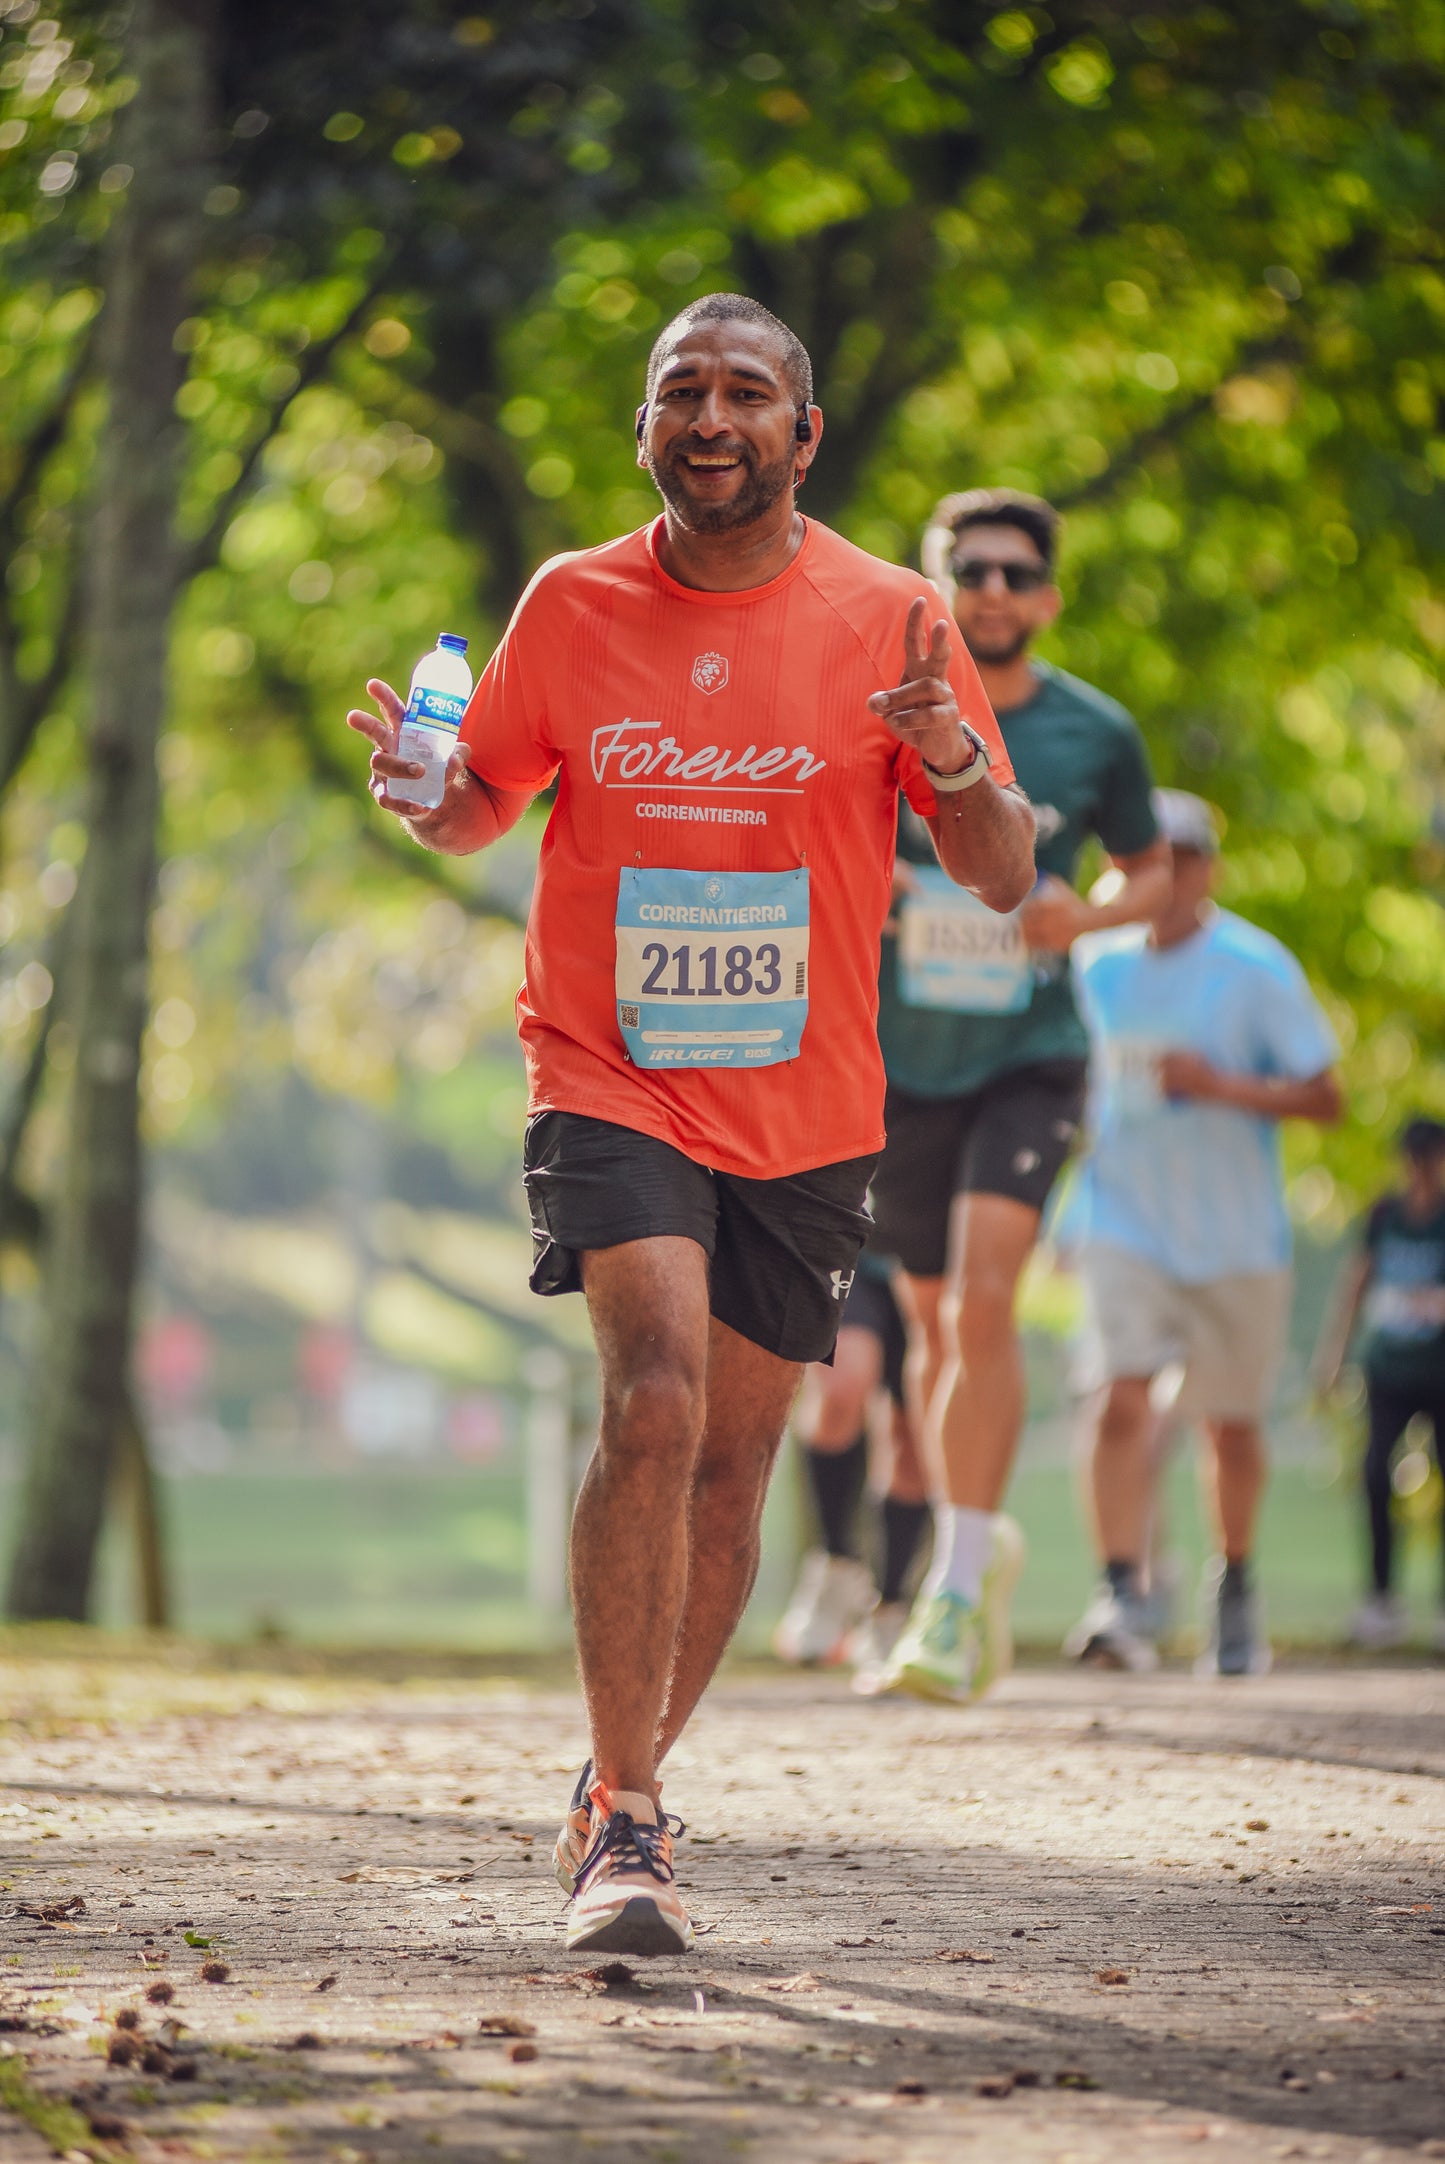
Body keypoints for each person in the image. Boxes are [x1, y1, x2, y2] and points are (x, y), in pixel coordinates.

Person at [348, 294, 1034, 1956]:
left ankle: (613, 1777)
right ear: (644, 425)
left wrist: (947, 755)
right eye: (681, 390)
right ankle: (636, 1821)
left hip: (806, 1100)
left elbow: (1003, 872)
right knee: (649, 1398)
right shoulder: (571, 600)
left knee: (731, 1467)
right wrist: (439, 799)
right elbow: (485, 796)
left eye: (747, 391)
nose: (710, 412)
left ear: (804, 434)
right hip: (608, 1066)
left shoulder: (893, 613)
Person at [869, 488, 1172, 1703]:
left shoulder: (1096, 734)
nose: (990, 590)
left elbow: (1150, 871)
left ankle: (946, 1597)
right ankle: (975, 1548)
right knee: (935, 1332)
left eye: (1012, 573)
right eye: (968, 569)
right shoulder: (871, 713)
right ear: (930, 583)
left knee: (986, 1302)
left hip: (1027, 1056)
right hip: (897, 1063)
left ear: (1044, 597)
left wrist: (1080, 912)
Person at [1064, 789, 1342, 1677]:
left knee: (1229, 1427)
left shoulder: (1254, 966)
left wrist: (1217, 1085)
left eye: (1181, 858)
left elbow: (1324, 1097)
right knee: (1118, 1398)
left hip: (1233, 1237)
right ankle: (1119, 1591)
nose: (1162, 875)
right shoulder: (1091, 967)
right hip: (1123, 1221)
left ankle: (1235, 1588)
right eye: (1140, 858)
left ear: (1206, 869)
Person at [771, 1244, 932, 1690]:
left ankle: (890, 1605)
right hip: (848, 1239)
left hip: (926, 1247)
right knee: (842, 1385)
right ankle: (834, 1561)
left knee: (913, 1435)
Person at [1313, 1117, 1445, 1652]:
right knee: (1374, 1475)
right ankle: (1380, 1600)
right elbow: (1357, 1282)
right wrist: (1333, 1355)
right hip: (1388, 1369)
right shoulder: (1385, 1216)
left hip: (1439, 1370)